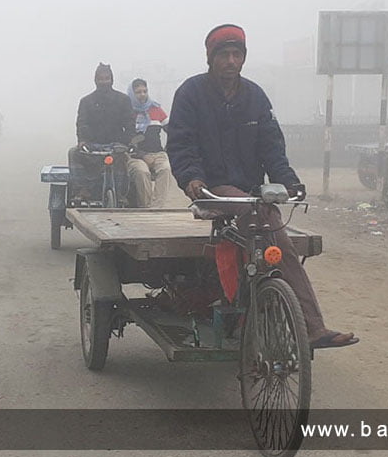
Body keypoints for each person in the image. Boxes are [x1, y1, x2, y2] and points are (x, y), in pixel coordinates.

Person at [166, 24, 357, 349]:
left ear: (243, 57)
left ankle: (263, 302)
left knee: (271, 237)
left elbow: (272, 148)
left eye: (236, 54)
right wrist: (191, 179)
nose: (230, 61)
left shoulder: (255, 96)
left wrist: (289, 181)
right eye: (224, 54)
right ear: (210, 58)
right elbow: (181, 143)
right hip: (214, 189)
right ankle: (311, 328)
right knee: (267, 223)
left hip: (250, 191)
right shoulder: (190, 93)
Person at [69, 63, 136, 202]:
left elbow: (130, 124)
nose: (104, 82)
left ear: (112, 80)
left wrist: (128, 142)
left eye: (107, 79)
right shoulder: (86, 101)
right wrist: (82, 142)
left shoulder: (123, 100)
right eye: (101, 79)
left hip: (116, 145)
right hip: (93, 146)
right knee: (73, 153)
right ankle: (82, 189)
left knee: (122, 159)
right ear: (95, 80)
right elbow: (82, 123)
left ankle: (120, 194)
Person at [126, 79, 171, 207]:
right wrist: (142, 155)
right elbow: (127, 140)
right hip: (135, 156)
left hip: (158, 154)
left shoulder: (156, 109)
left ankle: (157, 208)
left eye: (145, 91)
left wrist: (168, 149)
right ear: (132, 94)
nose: (142, 94)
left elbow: (173, 131)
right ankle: (146, 207)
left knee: (165, 169)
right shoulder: (127, 112)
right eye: (138, 92)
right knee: (142, 172)